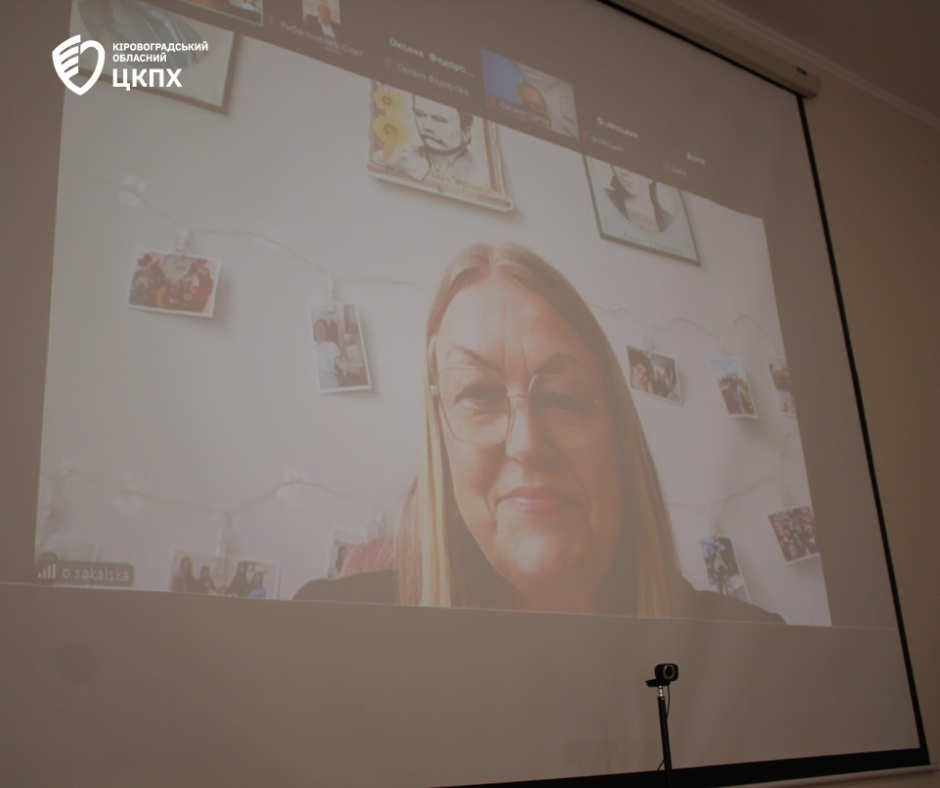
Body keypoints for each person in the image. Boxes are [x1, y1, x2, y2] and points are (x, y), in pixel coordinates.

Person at [296, 243, 781, 622]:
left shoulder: (752, 654)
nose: (527, 444)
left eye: (565, 399)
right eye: (478, 395)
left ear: (619, 440)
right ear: (440, 446)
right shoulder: (331, 632)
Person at [379, 96, 479, 185]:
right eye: (419, 114)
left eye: (439, 119)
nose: (427, 126)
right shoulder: (402, 155)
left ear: (465, 133)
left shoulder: (477, 171)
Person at [605, 166, 673, 235]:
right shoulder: (605, 201)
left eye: (634, 164)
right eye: (619, 164)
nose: (624, 172)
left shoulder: (669, 221)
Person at [314, 318, 342, 390]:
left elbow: (337, 360)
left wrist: (344, 364)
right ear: (314, 331)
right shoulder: (311, 345)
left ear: (326, 332)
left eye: (323, 329)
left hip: (329, 379)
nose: (320, 331)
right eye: (318, 328)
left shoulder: (331, 345)